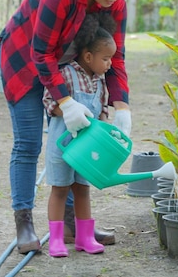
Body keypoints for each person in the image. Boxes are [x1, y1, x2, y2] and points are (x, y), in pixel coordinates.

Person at [0, 0, 138, 254]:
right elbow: (41, 53)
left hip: (64, 69)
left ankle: (74, 226)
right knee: (29, 143)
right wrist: (65, 101)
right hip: (25, 61)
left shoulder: (115, 6)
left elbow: (115, 57)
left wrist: (123, 107)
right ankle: (24, 225)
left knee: (77, 141)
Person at [43, 13, 117, 257]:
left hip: (87, 150)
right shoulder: (66, 74)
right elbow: (48, 101)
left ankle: (84, 238)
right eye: (105, 58)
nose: (109, 64)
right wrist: (66, 108)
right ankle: (56, 240)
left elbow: (103, 109)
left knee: (83, 189)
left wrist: (107, 130)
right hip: (62, 147)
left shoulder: (100, 81)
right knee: (60, 190)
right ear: (88, 56)